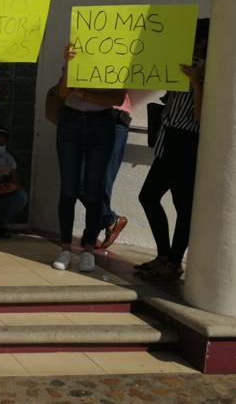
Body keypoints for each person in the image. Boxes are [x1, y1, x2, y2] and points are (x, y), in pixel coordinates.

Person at [136, 19, 208, 281]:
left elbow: (202, 117)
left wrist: (196, 82)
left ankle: (174, 262)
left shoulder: (211, 70)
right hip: (169, 137)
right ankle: (164, 255)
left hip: (188, 140)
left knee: (183, 205)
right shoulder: (179, 61)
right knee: (148, 196)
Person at [53, 46, 127, 273]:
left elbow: (117, 97)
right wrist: (68, 64)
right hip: (71, 121)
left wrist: (84, 94)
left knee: (94, 190)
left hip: (101, 123)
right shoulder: (77, 55)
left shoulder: (117, 59)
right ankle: (65, 248)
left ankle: (87, 250)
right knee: (68, 189)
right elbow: (63, 93)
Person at [82, 94, 131, 250]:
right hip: (88, 117)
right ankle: (107, 220)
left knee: (103, 181)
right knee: (80, 181)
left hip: (114, 117)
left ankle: (94, 230)